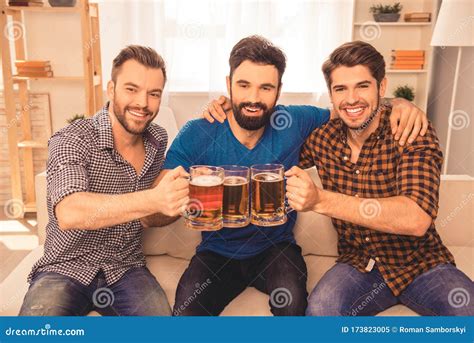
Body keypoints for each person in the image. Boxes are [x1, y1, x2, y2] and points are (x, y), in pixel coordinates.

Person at [160, 35, 427, 316]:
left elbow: (349, 109)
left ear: (279, 90)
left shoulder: (293, 121)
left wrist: (398, 102)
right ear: (228, 85)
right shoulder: (197, 132)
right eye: (243, 85)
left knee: (292, 303)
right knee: (186, 311)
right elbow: (156, 212)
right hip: (216, 252)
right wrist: (174, 200)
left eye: (265, 87)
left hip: (276, 248)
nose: (253, 98)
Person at [285, 40, 474, 316]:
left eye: (362, 86)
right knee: (321, 310)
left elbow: (416, 218)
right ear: (331, 95)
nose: (351, 99)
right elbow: (272, 153)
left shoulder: (412, 132)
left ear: (381, 87)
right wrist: (235, 111)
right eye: (341, 89)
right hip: (359, 264)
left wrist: (320, 200)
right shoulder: (321, 139)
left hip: (423, 264)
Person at [19, 45, 189, 316]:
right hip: (64, 268)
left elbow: (148, 217)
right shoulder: (71, 139)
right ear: (111, 89)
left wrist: (174, 203)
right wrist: (153, 198)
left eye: (153, 94)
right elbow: (69, 211)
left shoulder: (157, 139)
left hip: (126, 268)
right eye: (131, 89)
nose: (143, 104)